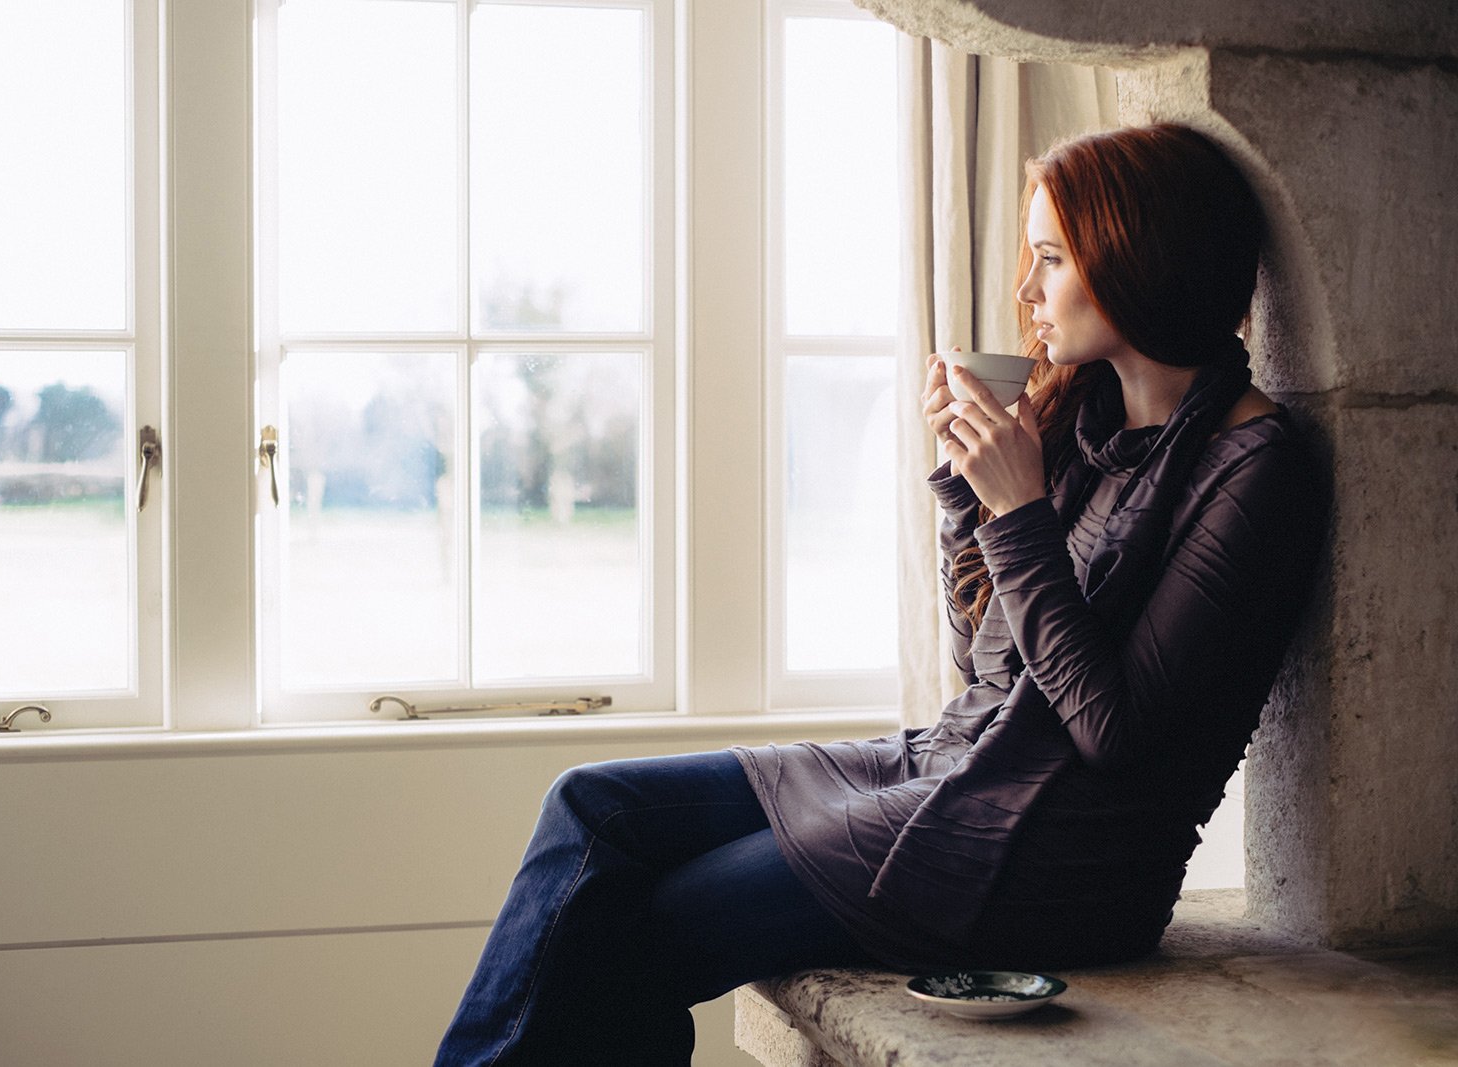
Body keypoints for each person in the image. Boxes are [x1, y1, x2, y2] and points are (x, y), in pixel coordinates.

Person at [433, 123, 1328, 1066]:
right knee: (591, 807)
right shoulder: (1081, 413)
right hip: (952, 764)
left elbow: (1111, 729)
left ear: (1138, 257)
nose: (1027, 290)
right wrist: (966, 489)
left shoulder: (1256, 469)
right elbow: (983, 658)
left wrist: (1019, 507)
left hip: (1057, 856)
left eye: (1053, 258)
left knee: (636, 929)